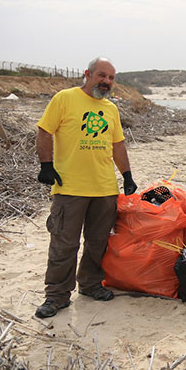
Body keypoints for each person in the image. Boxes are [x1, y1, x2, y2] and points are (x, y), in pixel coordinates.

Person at [34, 57, 137, 319]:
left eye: (111, 78)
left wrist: (126, 175)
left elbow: (118, 146)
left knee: (98, 243)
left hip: (104, 188)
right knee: (64, 244)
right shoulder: (64, 98)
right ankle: (56, 296)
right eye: (102, 75)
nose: (107, 82)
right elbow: (44, 131)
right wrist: (46, 165)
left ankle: (90, 284)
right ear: (87, 74)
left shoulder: (111, 109)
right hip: (69, 188)